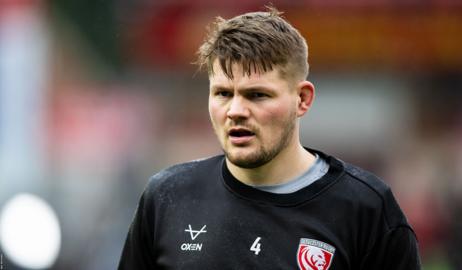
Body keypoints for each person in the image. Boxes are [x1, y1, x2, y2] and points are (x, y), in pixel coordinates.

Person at [118, 6, 421, 270]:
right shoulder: (167, 197)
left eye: (257, 95)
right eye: (223, 93)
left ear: (302, 99)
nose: (236, 110)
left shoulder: (365, 208)